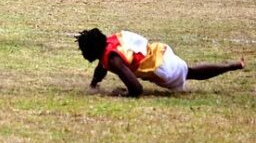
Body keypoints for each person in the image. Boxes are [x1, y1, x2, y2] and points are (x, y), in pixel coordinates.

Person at [75, 28, 244, 97]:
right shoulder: (112, 41)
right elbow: (101, 68)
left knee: (189, 73)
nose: (83, 54)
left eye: (83, 50)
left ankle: (231, 66)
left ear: (92, 49)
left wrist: (121, 94)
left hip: (162, 69)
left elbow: (137, 89)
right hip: (160, 53)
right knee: (191, 71)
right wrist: (94, 83)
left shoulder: (114, 61)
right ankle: (233, 65)